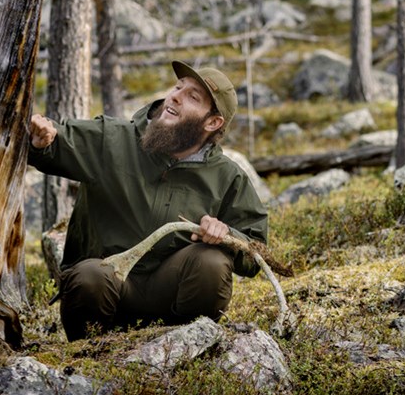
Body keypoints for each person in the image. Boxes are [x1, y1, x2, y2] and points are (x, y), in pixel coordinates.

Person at [28, 60, 268, 340]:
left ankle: (188, 348)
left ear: (213, 122)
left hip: (173, 298)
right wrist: (43, 141)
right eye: (178, 87)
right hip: (107, 287)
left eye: (193, 97)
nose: (175, 95)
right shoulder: (114, 139)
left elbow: (256, 250)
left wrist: (227, 235)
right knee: (91, 276)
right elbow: (60, 141)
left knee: (212, 261)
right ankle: (90, 360)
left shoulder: (228, 177)